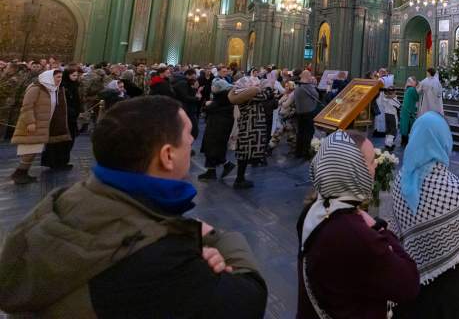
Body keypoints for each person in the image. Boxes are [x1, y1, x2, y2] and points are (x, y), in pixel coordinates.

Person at [0, 96, 268, 317]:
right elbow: (247, 299)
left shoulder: (62, 202)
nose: (191, 144)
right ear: (167, 155)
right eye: (188, 139)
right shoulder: (160, 260)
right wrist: (217, 237)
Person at [298, 130, 420, 317]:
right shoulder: (356, 233)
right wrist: (381, 231)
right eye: (371, 162)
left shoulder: (315, 210)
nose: (375, 168)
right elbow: (409, 283)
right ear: (353, 169)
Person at [391, 112, 459, 318]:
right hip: (451, 283)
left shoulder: (402, 177)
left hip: (412, 275)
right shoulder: (445, 184)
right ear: (442, 140)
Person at [9, 69, 69, 184]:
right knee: (29, 149)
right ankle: (20, 173)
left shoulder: (52, 89)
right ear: (49, 77)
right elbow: (27, 106)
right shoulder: (36, 88)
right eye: (57, 77)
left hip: (42, 125)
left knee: (34, 149)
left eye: (61, 77)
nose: (59, 80)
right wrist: (30, 122)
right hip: (33, 124)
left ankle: (23, 173)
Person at [227, 76, 273, 189]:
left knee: (243, 152)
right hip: (251, 126)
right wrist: (267, 85)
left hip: (246, 125)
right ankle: (239, 179)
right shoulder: (250, 96)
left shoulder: (240, 95)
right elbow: (267, 94)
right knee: (245, 152)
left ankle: (240, 178)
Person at [40, 66, 81, 170]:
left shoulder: (73, 86)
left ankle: (62, 162)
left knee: (67, 142)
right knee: (58, 141)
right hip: (61, 119)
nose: (76, 77)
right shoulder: (61, 87)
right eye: (73, 75)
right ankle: (55, 162)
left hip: (70, 118)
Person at [199, 78, 237, 181]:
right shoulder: (226, 95)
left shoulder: (221, 96)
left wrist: (207, 105)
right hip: (221, 124)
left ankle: (215, 170)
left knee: (212, 146)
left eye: (214, 86)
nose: (212, 88)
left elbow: (211, 108)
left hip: (218, 124)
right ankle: (214, 170)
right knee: (215, 147)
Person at [293, 70, 321, 160]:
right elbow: (316, 95)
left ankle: (298, 152)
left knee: (300, 133)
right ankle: (306, 153)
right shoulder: (307, 86)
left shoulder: (297, 85)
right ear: (307, 76)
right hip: (308, 113)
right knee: (308, 133)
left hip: (299, 112)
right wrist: (314, 85)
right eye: (310, 76)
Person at [377, 86, 401, 150]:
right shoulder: (394, 99)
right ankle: (389, 145)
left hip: (386, 115)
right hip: (392, 116)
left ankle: (387, 143)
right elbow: (399, 105)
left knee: (388, 130)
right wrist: (394, 96)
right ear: (393, 92)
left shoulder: (384, 98)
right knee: (393, 130)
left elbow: (382, 102)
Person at [399, 76, 419, 146]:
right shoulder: (412, 89)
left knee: (404, 125)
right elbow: (417, 97)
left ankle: (403, 141)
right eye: (415, 81)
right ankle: (405, 142)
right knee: (407, 126)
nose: (416, 83)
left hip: (405, 109)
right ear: (413, 82)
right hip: (409, 110)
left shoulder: (407, 88)